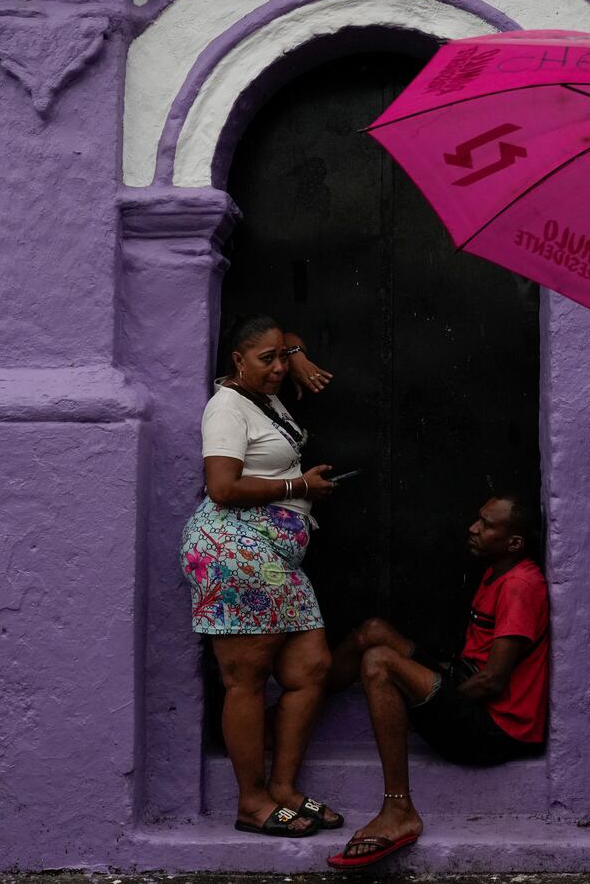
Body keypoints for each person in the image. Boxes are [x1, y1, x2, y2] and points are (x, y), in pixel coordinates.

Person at [179, 314, 343, 836]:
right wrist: (298, 489)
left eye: (280, 358)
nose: (276, 368)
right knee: (246, 678)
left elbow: (280, 331)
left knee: (311, 666)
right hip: (238, 551)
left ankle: (285, 788)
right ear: (237, 361)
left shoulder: (262, 397)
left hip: (276, 557)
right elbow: (222, 488)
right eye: (265, 360)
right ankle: (252, 801)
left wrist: (294, 353)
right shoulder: (226, 406)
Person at [321, 493, 549, 870]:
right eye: (478, 519)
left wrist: (430, 692)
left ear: (514, 543)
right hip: (468, 685)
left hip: (495, 728)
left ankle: (398, 809)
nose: (473, 528)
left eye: (487, 525)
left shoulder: (519, 586)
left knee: (378, 663)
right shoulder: (498, 571)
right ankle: (288, 715)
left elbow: (492, 680)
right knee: (373, 632)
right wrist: (432, 683)